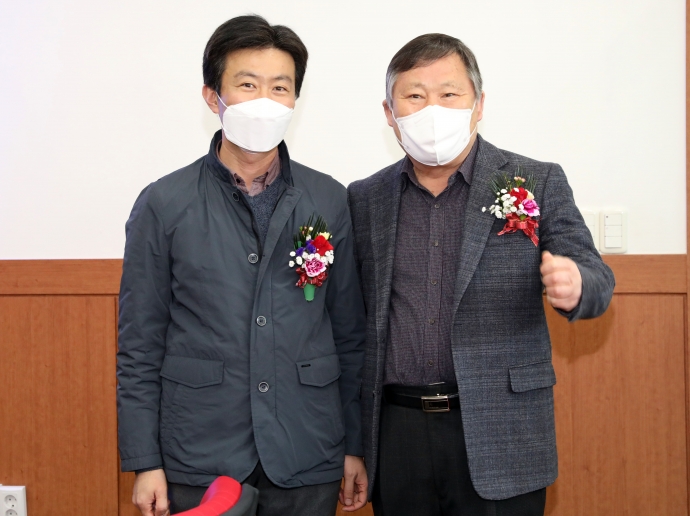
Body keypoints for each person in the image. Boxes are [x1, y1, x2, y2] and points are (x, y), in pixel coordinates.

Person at [347, 33, 615, 516]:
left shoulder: (536, 180)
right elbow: (353, 325)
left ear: (479, 104)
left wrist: (578, 285)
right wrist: (353, 443)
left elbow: (595, 274)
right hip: (397, 434)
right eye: (414, 96)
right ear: (389, 112)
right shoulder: (365, 198)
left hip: (502, 428)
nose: (432, 109)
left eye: (449, 94)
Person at [117, 15, 368, 516]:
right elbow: (139, 344)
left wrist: (354, 445)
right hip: (199, 452)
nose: (264, 100)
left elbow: (350, 335)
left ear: (295, 100)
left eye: (280, 87)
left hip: (307, 446)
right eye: (248, 85)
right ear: (213, 97)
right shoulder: (164, 203)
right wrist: (145, 460)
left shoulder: (329, 199)